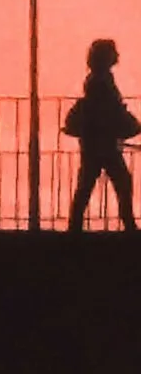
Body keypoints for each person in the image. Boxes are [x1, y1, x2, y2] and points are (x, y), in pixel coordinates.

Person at [63, 39, 139, 232]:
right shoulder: (101, 81)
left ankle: (75, 226)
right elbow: (109, 110)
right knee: (119, 181)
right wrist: (127, 124)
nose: (117, 56)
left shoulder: (97, 79)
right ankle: (128, 225)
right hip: (102, 142)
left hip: (95, 141)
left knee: (88, 183)